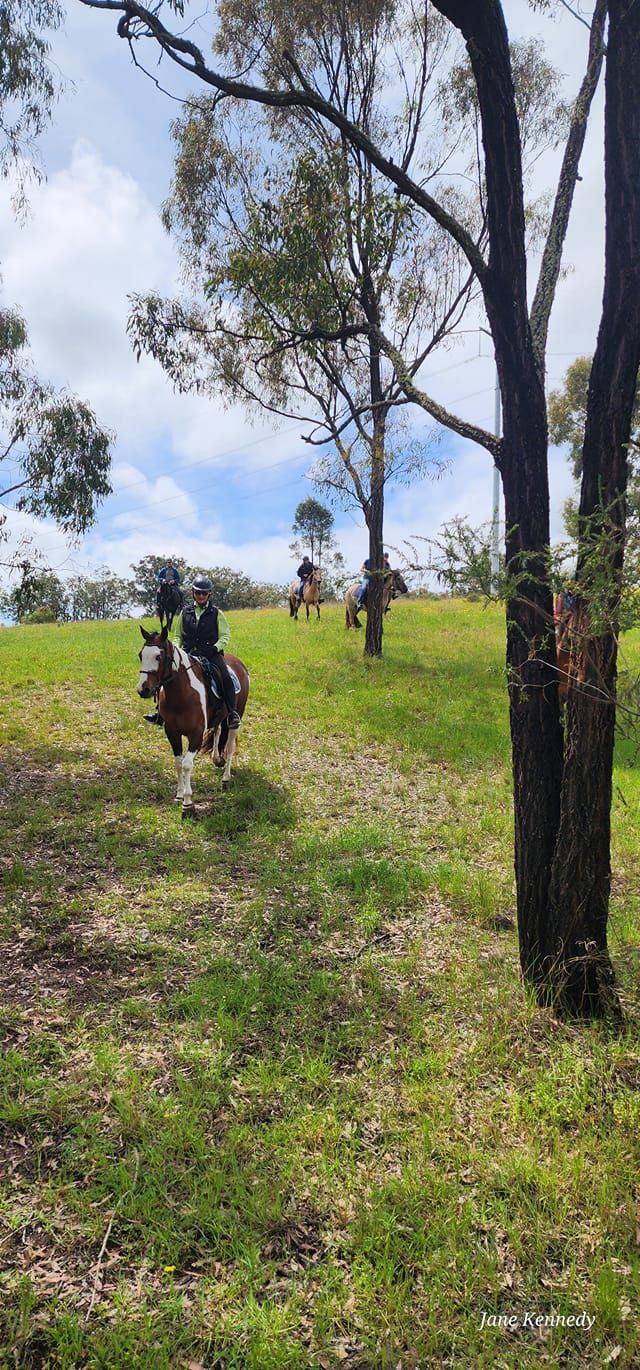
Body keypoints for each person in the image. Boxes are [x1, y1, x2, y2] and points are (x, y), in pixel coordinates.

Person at [145, 576, 241, 728]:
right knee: (165, 673)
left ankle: (232, 713)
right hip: (187, 653)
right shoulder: (185, 612)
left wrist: (214, 648)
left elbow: (225, 636)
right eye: (198, 593)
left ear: (209, 594)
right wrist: (178, 648)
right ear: (193, 593)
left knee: (225, 676)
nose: (201, 596)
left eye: (204, 593)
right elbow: (177, 635)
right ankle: (160, 712)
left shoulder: (217, 613)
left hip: (211, 653)